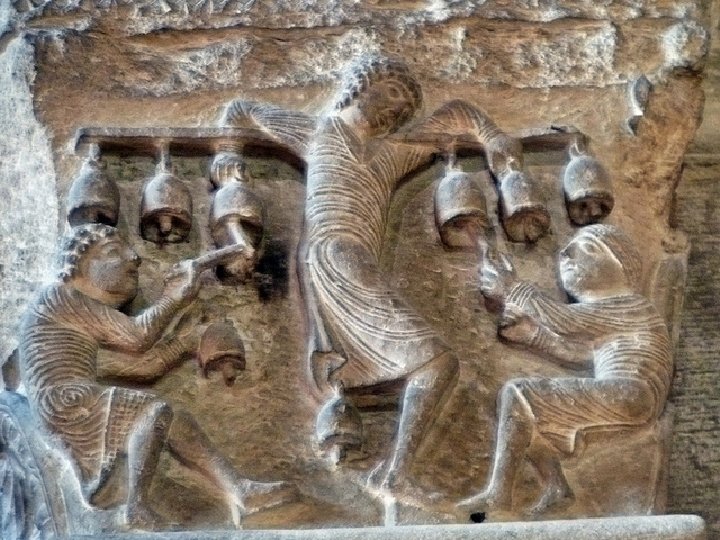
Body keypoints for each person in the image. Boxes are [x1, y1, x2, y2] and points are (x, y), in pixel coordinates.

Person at [220, 53, 530, 493]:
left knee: (436, 364)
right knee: (436, 361)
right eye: (392, 93)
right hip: (334, 254)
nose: (396, 109)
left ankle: (396, 472)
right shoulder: (321, 133)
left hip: (354, 259)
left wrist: (491, 135)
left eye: (405, 106)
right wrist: (228, 156)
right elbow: (240, 110)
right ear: (360, 85)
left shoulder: (390, 154)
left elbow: (454, 115)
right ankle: (398, 474)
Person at [18, 224, 294, 529]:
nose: (133, 257)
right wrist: (174, 297)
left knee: (175, 420)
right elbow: (136, 337)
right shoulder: (61, 296)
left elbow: (142, 369)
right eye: (113, 252)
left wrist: (184, 343)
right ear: (78, 265)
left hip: (67, 400)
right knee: (151, 412)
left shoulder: (72, 333)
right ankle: (135, 508)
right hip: (66, 400)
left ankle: (239, 490)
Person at [459, 224, 673, 516]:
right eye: (570, 247)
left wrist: (512, 288)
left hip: (631, 394)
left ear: (623, 266)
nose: (567, 253)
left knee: (519, 394)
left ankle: (498, 497)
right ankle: (555, 488)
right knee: (528, 418)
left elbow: (564, 321)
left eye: (589, 248)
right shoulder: (615, 322)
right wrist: (533, 336)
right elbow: (581, 355)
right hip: (626, 394)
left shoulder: (631, 305)